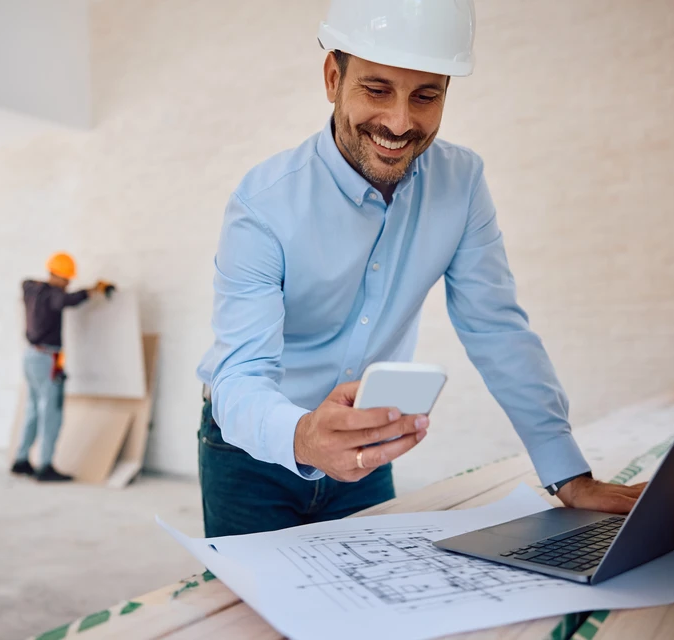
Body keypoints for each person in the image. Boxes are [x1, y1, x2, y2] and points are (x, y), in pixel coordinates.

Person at [195, 0, 645, 536]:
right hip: (252, 450)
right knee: (250, 618)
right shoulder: (264, 203)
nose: (400, 122)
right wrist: (304, 435)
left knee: (365, 608)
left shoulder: (461, 183)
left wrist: (568, 473)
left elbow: (497, 329)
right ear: (334, 77)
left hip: (367, 446)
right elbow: (240, 374)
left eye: (426, 95)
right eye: (377, 89)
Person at [11, 252, 110, 482]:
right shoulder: (53, 296)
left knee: (33, 409)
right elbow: (63, 300)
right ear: (59, 276)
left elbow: (34, 285)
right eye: (67, 280)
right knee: (51, 413)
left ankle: (21, 459)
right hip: (47, 358)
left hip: (31, 357)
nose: (68, 285)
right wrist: (91, 291)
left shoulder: (32, 288)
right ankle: (45, 466)